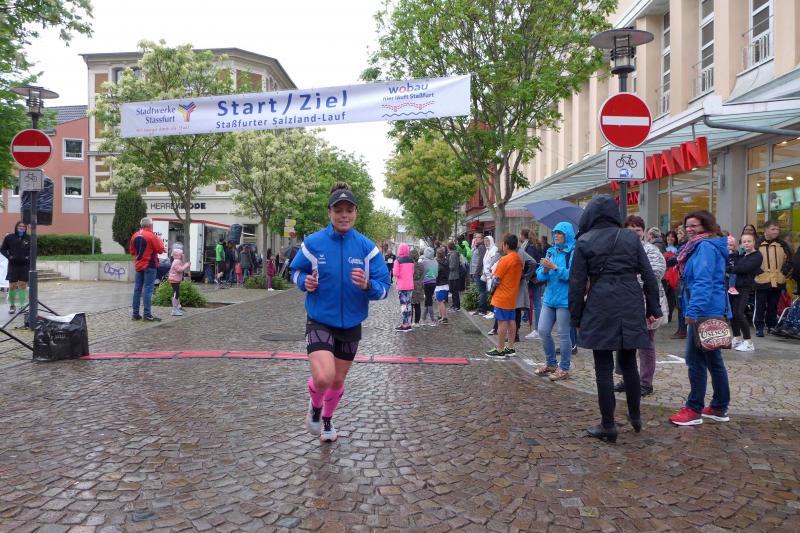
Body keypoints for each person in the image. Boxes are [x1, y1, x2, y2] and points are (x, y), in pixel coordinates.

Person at [290, 182, 390, 443]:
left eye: (349, 210)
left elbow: (384, 288)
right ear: (330, 213)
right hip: (320, 319)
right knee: (324, 377)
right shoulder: (313, 243)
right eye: (338, 210)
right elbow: (295, 271)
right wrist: (304, 282)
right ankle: (315, 407)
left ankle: (327, 419)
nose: (344, 215)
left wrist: (367, 285)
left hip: (351, 323)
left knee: (337, 380)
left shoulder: (367, 248)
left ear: (355, 212)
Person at [568, 196, 661, 442]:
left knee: (603, 368)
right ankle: (635, 416)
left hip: (600, 304)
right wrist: (653, 307)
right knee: (629, 363)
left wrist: (575, 316)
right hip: (630, 301)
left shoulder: (584, 241)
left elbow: (577, 284)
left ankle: (608, 424)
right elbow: (648, 276)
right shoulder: (630, 238)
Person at [668, 210, 731, 426]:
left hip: (704, 310)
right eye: (687, 225)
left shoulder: (704, 246)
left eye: (694, 225)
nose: (689, 229)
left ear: (706, 226)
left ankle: (694, 409)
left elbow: (703, 281)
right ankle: (719, 406)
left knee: (695, 361)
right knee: (714, 360)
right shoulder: (703, 245)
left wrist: (692, 311)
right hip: (711, 307)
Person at [614, 216, 667, 397]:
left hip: (647, 303)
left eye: (637, 229)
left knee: (646, 345)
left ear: (643, 232)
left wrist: (629, 277)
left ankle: (645, 383)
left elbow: (655, 273)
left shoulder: (651, 250)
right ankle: (627, 378)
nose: (634, 233)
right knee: (624, 343)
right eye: (630, 229)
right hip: (624, 303)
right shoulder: (618, 249)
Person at [534, 222, 576, 381]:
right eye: (555, 232)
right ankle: (551, 363)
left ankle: (564, 368)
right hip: (549, 298)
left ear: (567, 235)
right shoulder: (551, 251)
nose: (556, 235)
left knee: (563, 334)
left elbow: (573, 276)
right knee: (543, 330)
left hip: (565, 300)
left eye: (560, 233)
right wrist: (545, 269)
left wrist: (555, 268)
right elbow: (540, 276)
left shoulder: (573, 252)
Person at [485, 234, 523, 358]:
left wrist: (491, 291)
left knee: (502, 322)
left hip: (502, 295)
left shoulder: (505, 259)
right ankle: (510, 347)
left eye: (503, 243)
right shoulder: (518, 259)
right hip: (512, 295)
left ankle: (500, 349)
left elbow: (496, 279)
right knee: (511, 321)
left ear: (506, 245)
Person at [753, 220, 793, 337]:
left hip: (778, 279)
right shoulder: (757, 243)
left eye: (777, 229)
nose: (776, 231)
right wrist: (758, 272)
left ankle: (771, 325)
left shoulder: (783, 244)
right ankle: (759, 327)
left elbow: (790, 259)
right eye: (773, 229)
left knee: (773, 305)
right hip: (762, 279)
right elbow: (750, 258)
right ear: (766, 230)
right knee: (760, 305)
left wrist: (783, 272)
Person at [728, 232, 762, 352]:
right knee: (732, 314)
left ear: (754, 242)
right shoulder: (742, 255)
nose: (746, 243)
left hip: (745, 288)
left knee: (739, 313)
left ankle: (748, 341)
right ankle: (737, 337)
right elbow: (731, 265)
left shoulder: (757, 256)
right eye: (744, 242)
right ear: (741, 244)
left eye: (749, 241)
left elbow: (743, 268)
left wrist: (732, 268)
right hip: (734, 288)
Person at [129, 217, 166, 321]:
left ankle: (135, 314)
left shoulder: (134, 235)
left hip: (138, 265)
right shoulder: (151, 236)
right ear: (150, 225)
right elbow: (160, 250)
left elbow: (132, 252)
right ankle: (147, 314)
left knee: (137, 289)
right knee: (148, 289)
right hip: (150, 265)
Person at [0, 221, 30, 316]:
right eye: (19, 226)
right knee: (12, 286)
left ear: (25, 228)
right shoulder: (9, 237)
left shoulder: (28, 238)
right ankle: (12, 306)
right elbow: (2, 249)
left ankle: (22, 305)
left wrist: (28, 257)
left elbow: (33, 250)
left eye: (23, 227)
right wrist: (9, 257)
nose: (21, 228)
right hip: (13, 265)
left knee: (22, 285)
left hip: (24, 265)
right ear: (16, 227)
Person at [520, 229, 543, 339]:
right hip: (537, 277)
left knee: (537, 304)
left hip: (534, 278)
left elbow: (531, 263)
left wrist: (527, 277)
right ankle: (538, 329)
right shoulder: (536, 245)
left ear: (523, 236)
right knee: (536, 303)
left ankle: (538, 330)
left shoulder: (529, 247)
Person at [393, 243, 415, 332]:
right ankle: (409, 323)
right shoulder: (411, 260)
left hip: (402, 286)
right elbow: (412, 272)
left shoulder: (397, 261)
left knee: (403, 304)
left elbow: (395, 273)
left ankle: (404, 324)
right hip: (410, 285)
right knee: (409, 304)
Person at [481, 235, 501, 320]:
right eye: (485, 241)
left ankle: (494, 311)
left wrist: (490, 271)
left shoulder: (494, 249)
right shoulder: (487, 250)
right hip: (487, 276)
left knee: (493, 294)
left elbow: (494, 262)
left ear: (491, 241)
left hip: (492, 276)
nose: (486, 243)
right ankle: (491, 311)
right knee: (490, 294)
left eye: (487, 241)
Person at [168, 247, 191, 316]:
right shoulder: (177, 261)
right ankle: (174, 310)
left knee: (176, 293)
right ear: (178, 255)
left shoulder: (177, 260)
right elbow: (179, 270)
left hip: (175, 279)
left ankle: (178, 307)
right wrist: (187, 265)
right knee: (176, 294)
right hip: (174, 280)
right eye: (182, 254)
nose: (183, 255)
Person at [469, 233, 487, 315]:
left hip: (479, 273)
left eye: (478, 237)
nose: (476, 239)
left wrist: (476, 272)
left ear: (482, 238)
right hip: (475, 272)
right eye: (475, 237)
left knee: (482, 291)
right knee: (480, 291)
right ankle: (480, 309)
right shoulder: (477, 247)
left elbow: (481, 261)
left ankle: (482, 310)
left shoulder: (481, 247)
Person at [420, 246, 438, 326]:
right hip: (433, 282)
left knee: (429, 300)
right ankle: (423, 318)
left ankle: (432, 319)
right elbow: (436, 273)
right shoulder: (435, 261)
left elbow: (422, 273)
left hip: (426, 282)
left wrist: (422, 280)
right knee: (428, 299)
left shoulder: (424, 262)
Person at [435, 247, 450, 324]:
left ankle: (444, 318)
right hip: (445, 284)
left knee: (441, 302)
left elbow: (436, 274)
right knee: (440, 301)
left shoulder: (438, 264)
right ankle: (441, 316)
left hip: (440, 284)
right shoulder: (446, 262)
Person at [410, 248, 424, 327]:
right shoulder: (421, 265)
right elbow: (422, 275)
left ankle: (410, 321)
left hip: (411, 285)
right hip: (419, 285)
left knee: (411, 305)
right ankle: (417, 322)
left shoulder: (410, 266)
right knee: (418, 305)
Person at [447, 242, 462, 311]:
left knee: (455, 291)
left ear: (449, 247)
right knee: (454, 291)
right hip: (454, 275)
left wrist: (447, 267)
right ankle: (454, 305)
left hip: (454, 276)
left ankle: (456, 306)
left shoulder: (453, 255)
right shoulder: (453, 254)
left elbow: (452, 266)